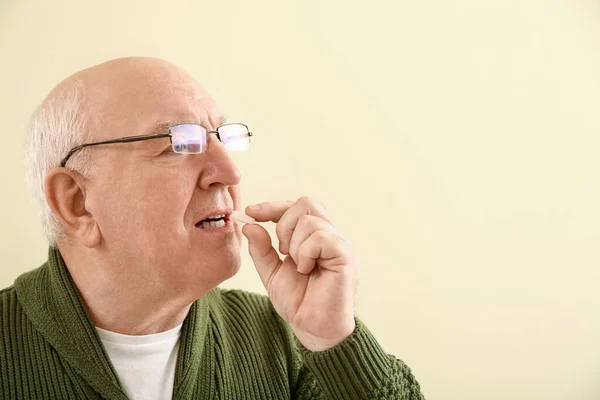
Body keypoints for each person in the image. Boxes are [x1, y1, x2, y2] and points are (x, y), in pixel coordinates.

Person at [0, 57, 425, 400]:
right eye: (180, 143)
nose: (229, 172)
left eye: (222, 138)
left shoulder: (282, 339)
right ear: (77, 202)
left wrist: (333, 340)